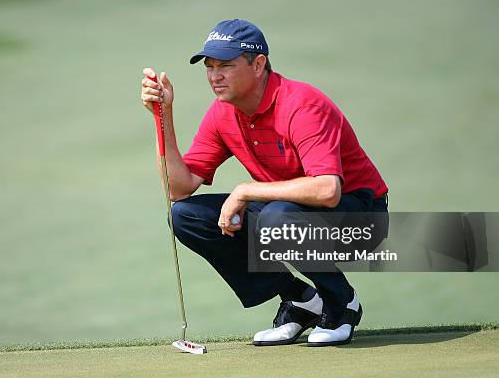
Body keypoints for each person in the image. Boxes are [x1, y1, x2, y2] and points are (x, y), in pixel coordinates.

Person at [140, 19, 388, 346]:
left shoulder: (301, 104)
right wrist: (163, 116)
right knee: (186, 215)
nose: (215, 76)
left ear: (258, 65)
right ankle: (300, 300)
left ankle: (341, 303)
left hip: (360, 219)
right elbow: (179, 188)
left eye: (226, 65)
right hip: (289, 212)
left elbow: (327, 190)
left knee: (277, 217)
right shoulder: (222, 112)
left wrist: (245, 190)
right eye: (210, 67)